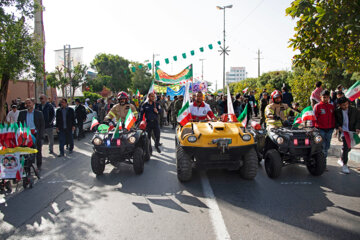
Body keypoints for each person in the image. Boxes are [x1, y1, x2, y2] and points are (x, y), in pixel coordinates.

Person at [335, 97, 360, 174]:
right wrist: (338, 126)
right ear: (339, 105)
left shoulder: (354, 110)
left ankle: (342, 157)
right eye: (343, 105)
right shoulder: (337, 111)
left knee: (349, 147)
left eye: (346, 104)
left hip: (352, 131)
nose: (345, 106)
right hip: (344, 132)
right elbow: (335, 121)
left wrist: (357, 128)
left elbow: (358, 120)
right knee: (346, 147)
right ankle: (345, 165)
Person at [18, 98, 45, 170]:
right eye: (26, 103)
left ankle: (39, 165)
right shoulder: (22, 113)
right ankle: (28, 166)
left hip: (36, 134)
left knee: (38, 150)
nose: (28, 105)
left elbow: (42, 125)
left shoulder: (39, 113)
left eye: (29, 103)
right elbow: (18, 124)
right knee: (27, 151)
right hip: (26, 135)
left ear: (33, 104)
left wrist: (41, 135)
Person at [314, 90, 335, 164]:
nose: (325, 99)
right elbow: (314, 118)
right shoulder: (317, 106)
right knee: (322, 146)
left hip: (330, 129)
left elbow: (334, 117)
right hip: (321, 129)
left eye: (327, 97)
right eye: (324, 97)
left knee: (327, 145)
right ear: (320, 97)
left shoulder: (331, 106)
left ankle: (323, 160)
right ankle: (323, 163)